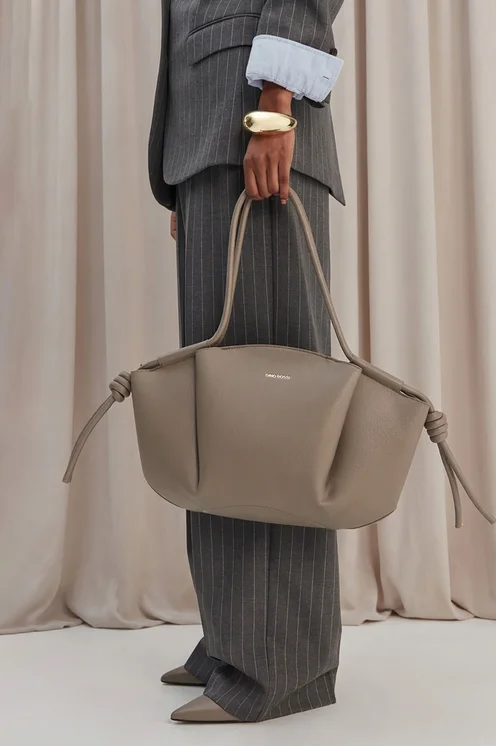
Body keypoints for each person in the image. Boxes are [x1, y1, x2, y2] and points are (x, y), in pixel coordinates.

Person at [148, 0, 345, 723]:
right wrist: (189, 170)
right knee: (223, 410)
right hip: (214, 139)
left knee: (269, 418)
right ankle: (233, 637)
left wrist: (274, 110)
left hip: (255, 124)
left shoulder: (267, 113)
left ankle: (277, 663)